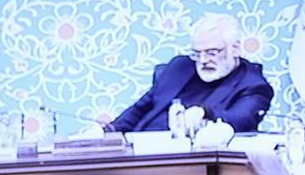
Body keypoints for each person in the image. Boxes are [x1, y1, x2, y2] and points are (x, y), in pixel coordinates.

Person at [106, 13, 274, 137]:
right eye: (197, 53)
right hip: (139, 148)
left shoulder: (253, 85)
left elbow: (242, 119)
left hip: (193, 160)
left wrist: (205, 112)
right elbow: (140, 108)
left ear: (235, 49)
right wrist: (108, 131)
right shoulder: (179, 67)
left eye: (211, 52)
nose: (203, 60)